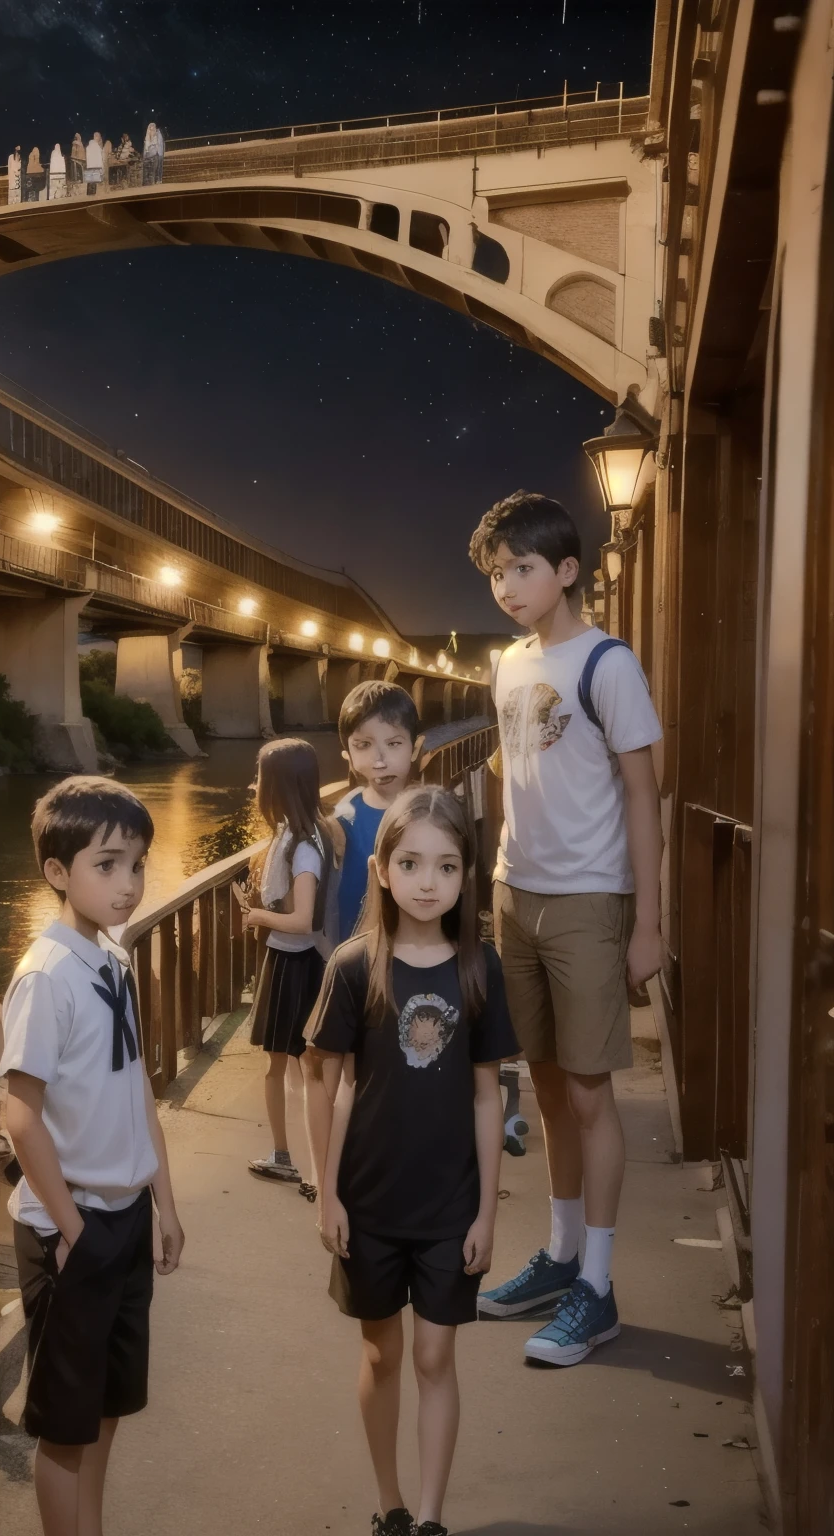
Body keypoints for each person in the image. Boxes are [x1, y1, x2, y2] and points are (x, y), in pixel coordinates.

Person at [468, 490, 664, 1365]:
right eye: (496, 574)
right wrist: (495, 884)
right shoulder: (508, 664)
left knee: (589, 1093)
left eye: (522, 570)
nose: (507, 588)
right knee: (544, 1082)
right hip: (519, 893)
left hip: (590, 899)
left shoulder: (608, 664)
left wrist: (649, 926)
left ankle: (600, 1286)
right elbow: (513, 781)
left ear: (568, 572)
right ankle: (559, 1255)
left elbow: (642, 796)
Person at [305, 785, 517, 1536]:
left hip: (450, 1204)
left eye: (448, 865)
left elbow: (489, 1098)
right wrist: (325, 1193)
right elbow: (322, 1080)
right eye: (412, 862)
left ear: (468, 875)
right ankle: (389, 1501)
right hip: (369, 1200)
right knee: (383, 1353)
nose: (429, 881)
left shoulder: (478, 968)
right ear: (382, 869)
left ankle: (429, 1517)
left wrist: (488, 1211)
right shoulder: (357, 965)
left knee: (434, 1356)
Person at [0, 775, 183, 1535]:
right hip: (70, 1227)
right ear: (57, 873)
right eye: (107, 865)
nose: (129, 883)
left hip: (126, 1213)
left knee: (108, 1409)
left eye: (137, 864)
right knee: (65, 1427)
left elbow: (137, 1084)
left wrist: (164, 1202)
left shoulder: (111, 959)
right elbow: (19, 1115)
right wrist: (75, 1230)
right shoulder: (47, 975)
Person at [242, 737, 338, 1199]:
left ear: (277, 785)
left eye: (261, 778)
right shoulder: (306, 833)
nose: (255, 785)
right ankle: (307, 1164)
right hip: (296, 961)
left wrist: (257, 916)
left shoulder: (301, 847)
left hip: (294, 964)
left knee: (292, 1070)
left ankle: (294, 1160)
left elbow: (301, 921)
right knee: (299, 1070)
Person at [335, 680, 423, 945]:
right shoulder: (343, 817)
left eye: (394, 744)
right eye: (363, 745)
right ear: (348, 757)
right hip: (354, 951)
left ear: (415, 748)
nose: (380, 761)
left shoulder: (430, 813)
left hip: (413, 948)